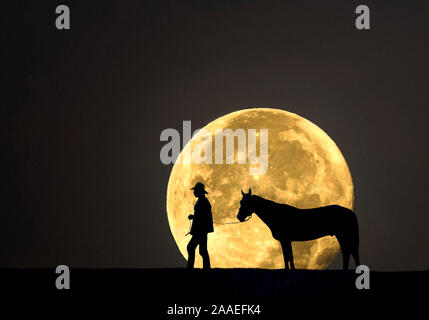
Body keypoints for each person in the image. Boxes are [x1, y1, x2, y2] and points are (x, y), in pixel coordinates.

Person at [186, 182, 214, 269]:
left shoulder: (203, 202)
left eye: (195, 191)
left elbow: (202, 215)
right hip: (201, 229)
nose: (194, 192)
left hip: (200, 230)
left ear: (199, 191)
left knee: (191, 247)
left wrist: (193, 216)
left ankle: (190, 267)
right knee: (202, 250)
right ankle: (206, 268)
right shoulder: (202, 201)